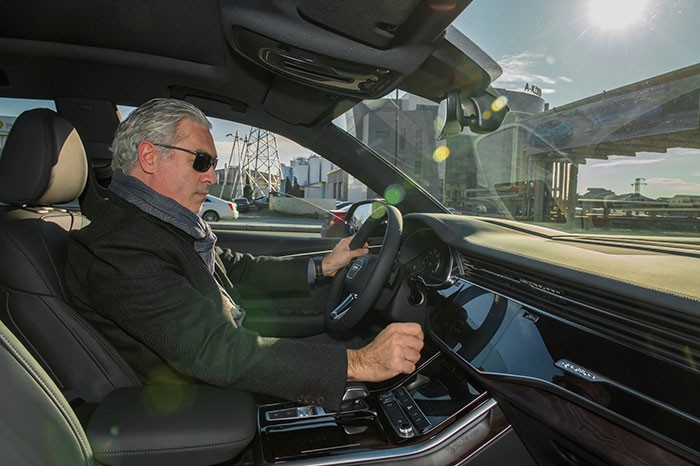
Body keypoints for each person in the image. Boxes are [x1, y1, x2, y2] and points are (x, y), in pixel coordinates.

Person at [65, 98, 424, 410]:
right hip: (198, 405)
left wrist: (323, 266)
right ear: (149, 157)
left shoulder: (160, 226)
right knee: (361, 354)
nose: (211, 177)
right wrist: (360, 363)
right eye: (201, 161)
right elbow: (213, 351)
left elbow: (236, 270)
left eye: (213, 163)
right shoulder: (118, 246)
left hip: (221, 368)